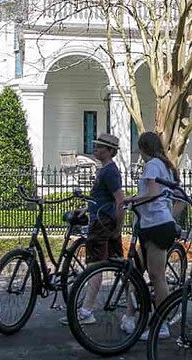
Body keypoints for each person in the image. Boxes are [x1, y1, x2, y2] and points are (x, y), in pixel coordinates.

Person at [60, 133, 125, 326]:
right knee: (119, 265)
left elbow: (120, 201)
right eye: (96, 146)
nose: (95, 149)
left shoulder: (110, 172)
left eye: (100, 148)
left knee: (94, 267)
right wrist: (87, 208)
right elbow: (102, 200)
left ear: (111, 152)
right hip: (104, 220)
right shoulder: (103, 170)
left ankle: (87, 311)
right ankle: (134, 303)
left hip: (102, 224)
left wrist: (118, 228)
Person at [121, 131, 180, 340]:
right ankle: (130, 315)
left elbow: (153, 193)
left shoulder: (153, 165)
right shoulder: (164, 165)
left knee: (156, 276)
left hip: (157, 224)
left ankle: (161, 323)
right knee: (135, 271)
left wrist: (131, 199)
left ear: (143, 147)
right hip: (152, 223)